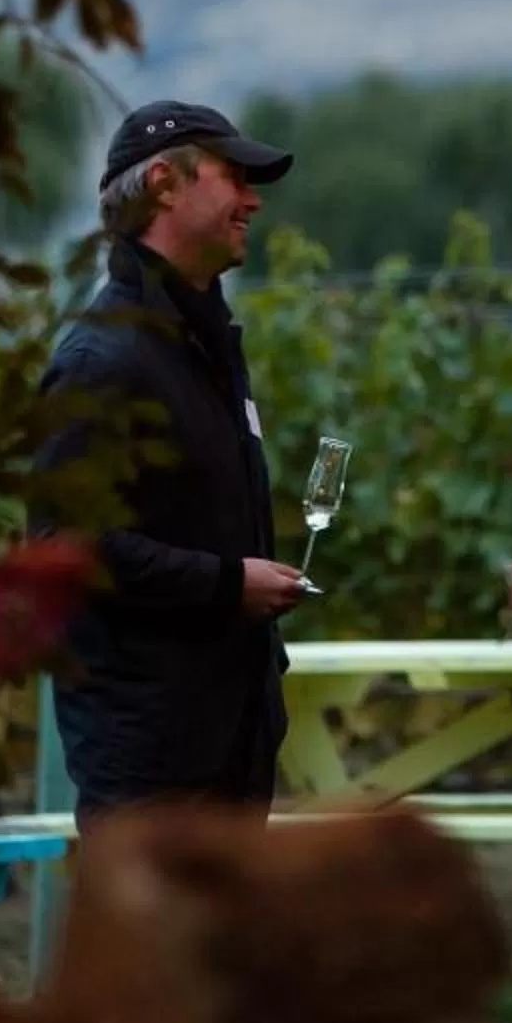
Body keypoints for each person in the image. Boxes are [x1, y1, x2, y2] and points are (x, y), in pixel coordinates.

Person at [32, 101, 312, 821]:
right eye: (234, 177)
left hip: (228, 745)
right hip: (153, 768)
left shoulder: (205, 346)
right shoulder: (104, 359)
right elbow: (63, 548)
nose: (253, 200)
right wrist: (225, 586)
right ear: (163, 183)